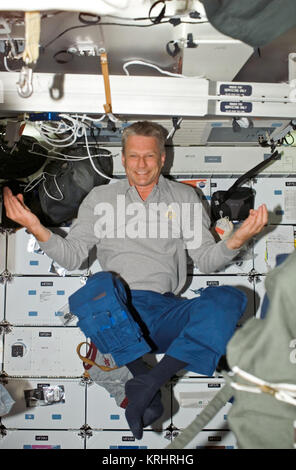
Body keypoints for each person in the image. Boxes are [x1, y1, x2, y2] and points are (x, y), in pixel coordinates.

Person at [3, 121, 268, 439]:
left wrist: (237, 240)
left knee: (230, 298)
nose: (141, 165)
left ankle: (149, 382)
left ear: (163, 159)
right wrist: (34, 224)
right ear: (123, 157)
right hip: (117, 313)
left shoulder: (185, 197)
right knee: (99, 284)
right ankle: (141, 376)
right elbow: (73, 257)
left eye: (149, 157)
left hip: (167, 312)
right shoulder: (100, 198)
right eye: (133, 156)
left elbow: (207, 261)